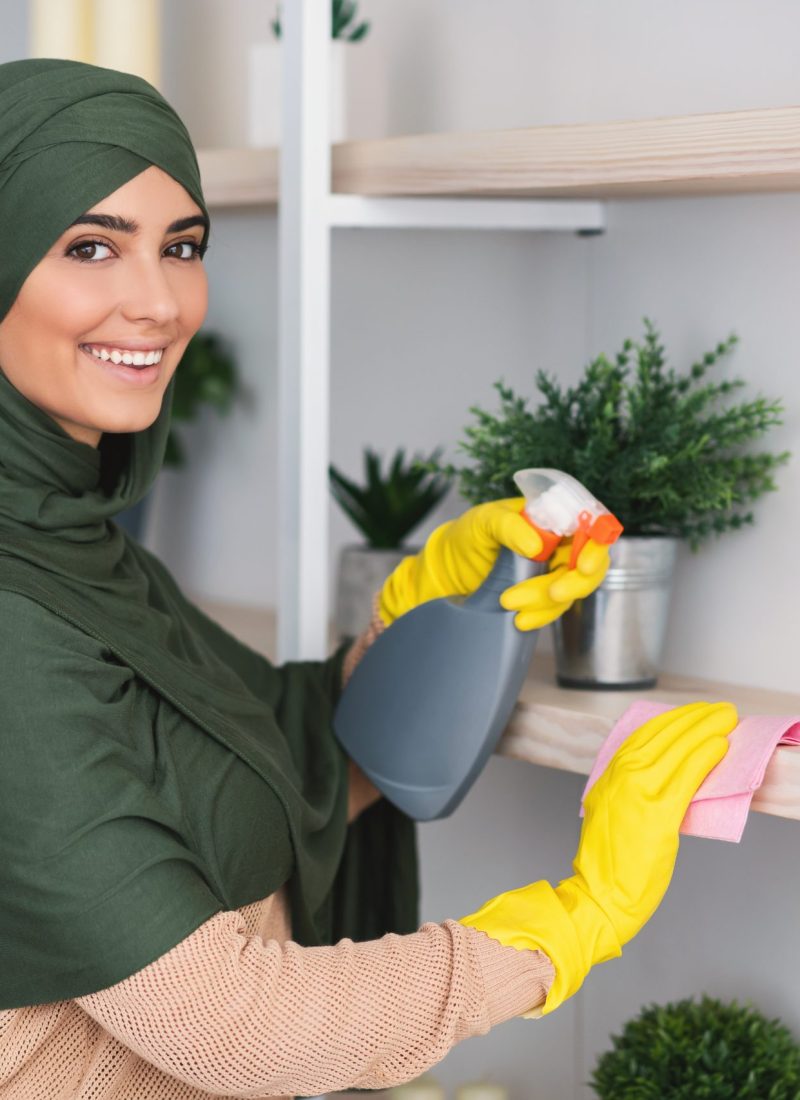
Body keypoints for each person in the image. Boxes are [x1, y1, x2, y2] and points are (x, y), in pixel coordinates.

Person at [0, 59, 737, 1099]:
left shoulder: (69, 544)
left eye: (182, 247)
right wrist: (567, 924)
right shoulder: (15, 613)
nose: (159, 302)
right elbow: (233, 1025)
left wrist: (428, 611)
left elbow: (274, 765)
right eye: (89, 247)